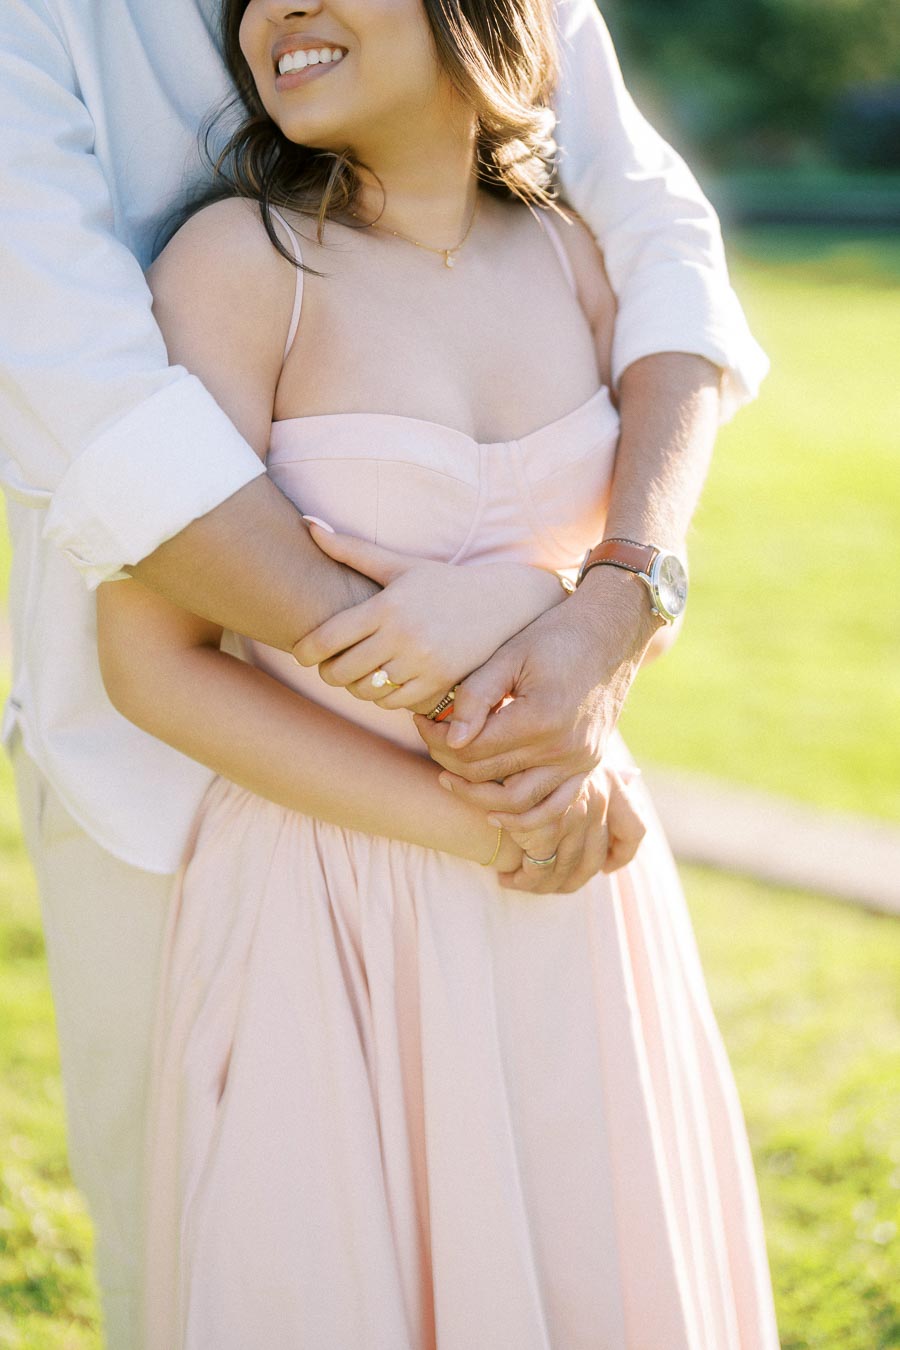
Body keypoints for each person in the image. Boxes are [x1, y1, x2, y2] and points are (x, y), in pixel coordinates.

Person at [0, 0, 769, 1345]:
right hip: (324, 871)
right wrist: (492, 797)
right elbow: (115, 493)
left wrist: (577, 602)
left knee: (588, 1263)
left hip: (566, 879)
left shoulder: (572, 256)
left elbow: (666, 269)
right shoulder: (239, 266)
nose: (272, 16)